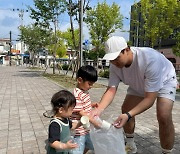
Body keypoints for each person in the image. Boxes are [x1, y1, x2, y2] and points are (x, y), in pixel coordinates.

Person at [95, 36, 177, 154]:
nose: (114, 62)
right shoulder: (114, 65)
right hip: (140, 82)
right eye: (111, 59)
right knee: (126, 109)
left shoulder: (149, 59)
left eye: (117, 58)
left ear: (127, 49)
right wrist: (99, 110)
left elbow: (149, 99)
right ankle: (130, 145)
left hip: (165, 80)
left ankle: (166, 152)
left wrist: (128, 115)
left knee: (163, 115)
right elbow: (111, 90)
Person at [71, 65, 101, 154]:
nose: (91, 86)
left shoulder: (84, 91)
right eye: (89, 83)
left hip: (86, 128)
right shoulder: (77, 94)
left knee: (90, 144)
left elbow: (83, 105)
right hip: (79, 130)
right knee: (77, 148)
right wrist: (95, 122)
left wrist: (91, 105)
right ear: (80, 80)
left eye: (92, 84)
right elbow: (81, 112)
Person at [47, 90, 80, 154]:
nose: (73, 111)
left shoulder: (66, 118)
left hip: (65, 150)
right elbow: (53, 142)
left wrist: (81, 122)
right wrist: (65, 146)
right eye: (71, 109)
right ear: (61, 110)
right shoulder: (55, 124)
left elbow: (72, 126)